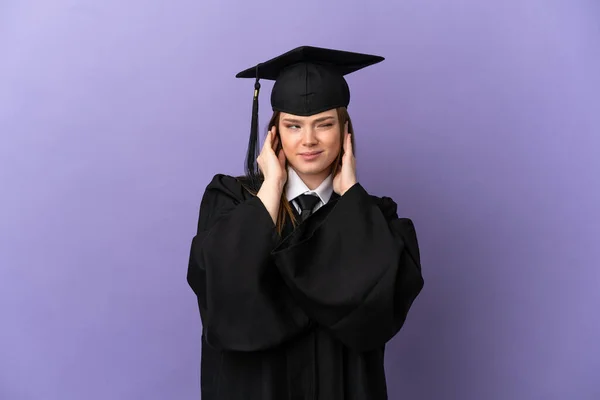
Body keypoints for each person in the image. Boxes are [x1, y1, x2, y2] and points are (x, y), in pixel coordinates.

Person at [187, 45, 424, 400]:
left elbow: (379, 314)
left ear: (345, 131)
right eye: (293, 126)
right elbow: (221, 295)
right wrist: (271, 188)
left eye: (324, 124)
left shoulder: (376, 217)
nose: (308, 140)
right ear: (274, 134)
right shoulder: (232, 200)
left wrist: (352, 198)